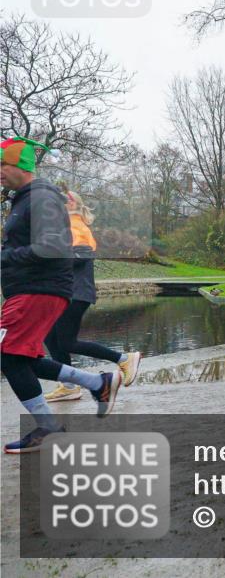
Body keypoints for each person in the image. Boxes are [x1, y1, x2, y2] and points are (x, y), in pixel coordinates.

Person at [1, 138, 122, 454]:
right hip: (30, 290)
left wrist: (5, 257)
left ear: (21, 166)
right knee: (23, 358)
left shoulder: (40, 197)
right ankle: (98, 383)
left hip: (37, 289)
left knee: (8, 356)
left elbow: (52, 247)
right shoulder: (26, 199)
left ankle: (49, 428)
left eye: (3, 165)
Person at [44, 190, 141, 402]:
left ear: (70, 205)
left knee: (67, 342)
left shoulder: (75, 226)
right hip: (69, 292)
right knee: (51, 337)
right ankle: (69, 385)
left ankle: (124, 358)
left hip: (75, 293)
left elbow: (79, 256)